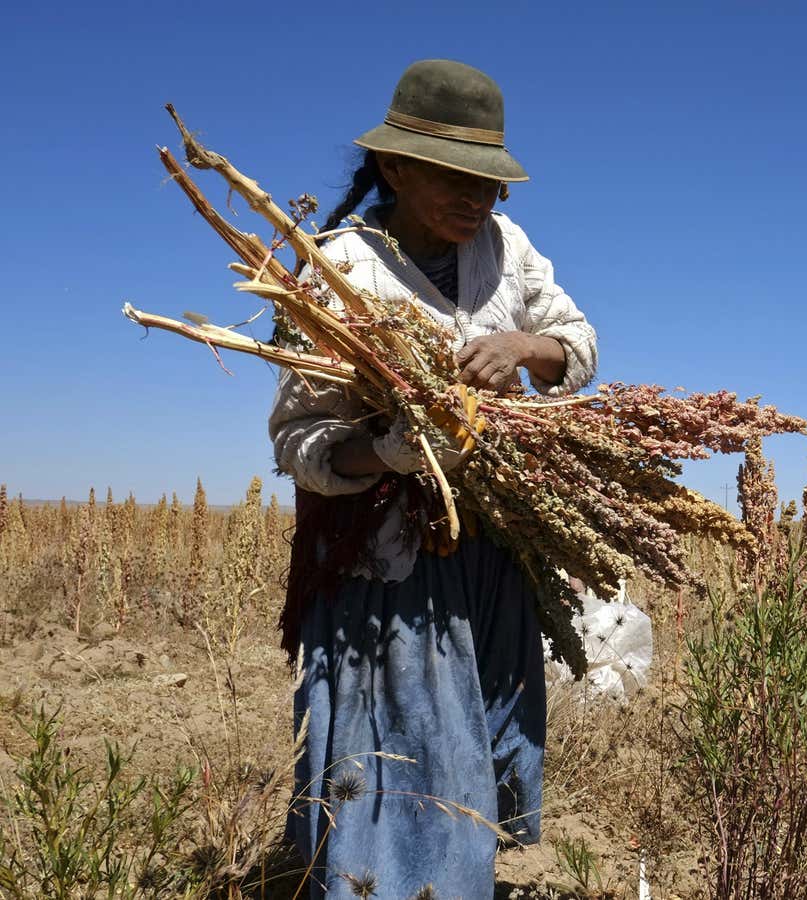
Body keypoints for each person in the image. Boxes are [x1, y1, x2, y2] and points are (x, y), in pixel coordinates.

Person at [268, 59, 597, 899]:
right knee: (412, 762)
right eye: (456, 179)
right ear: (395, 168)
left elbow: (578, 344)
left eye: (490, 184)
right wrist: (385, 452)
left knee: (476, 748)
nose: (477, 201)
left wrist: (525, 348)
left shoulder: (505, 248)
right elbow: (301, 441)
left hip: (492, 552)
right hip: (389, 568)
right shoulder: (339, 269)